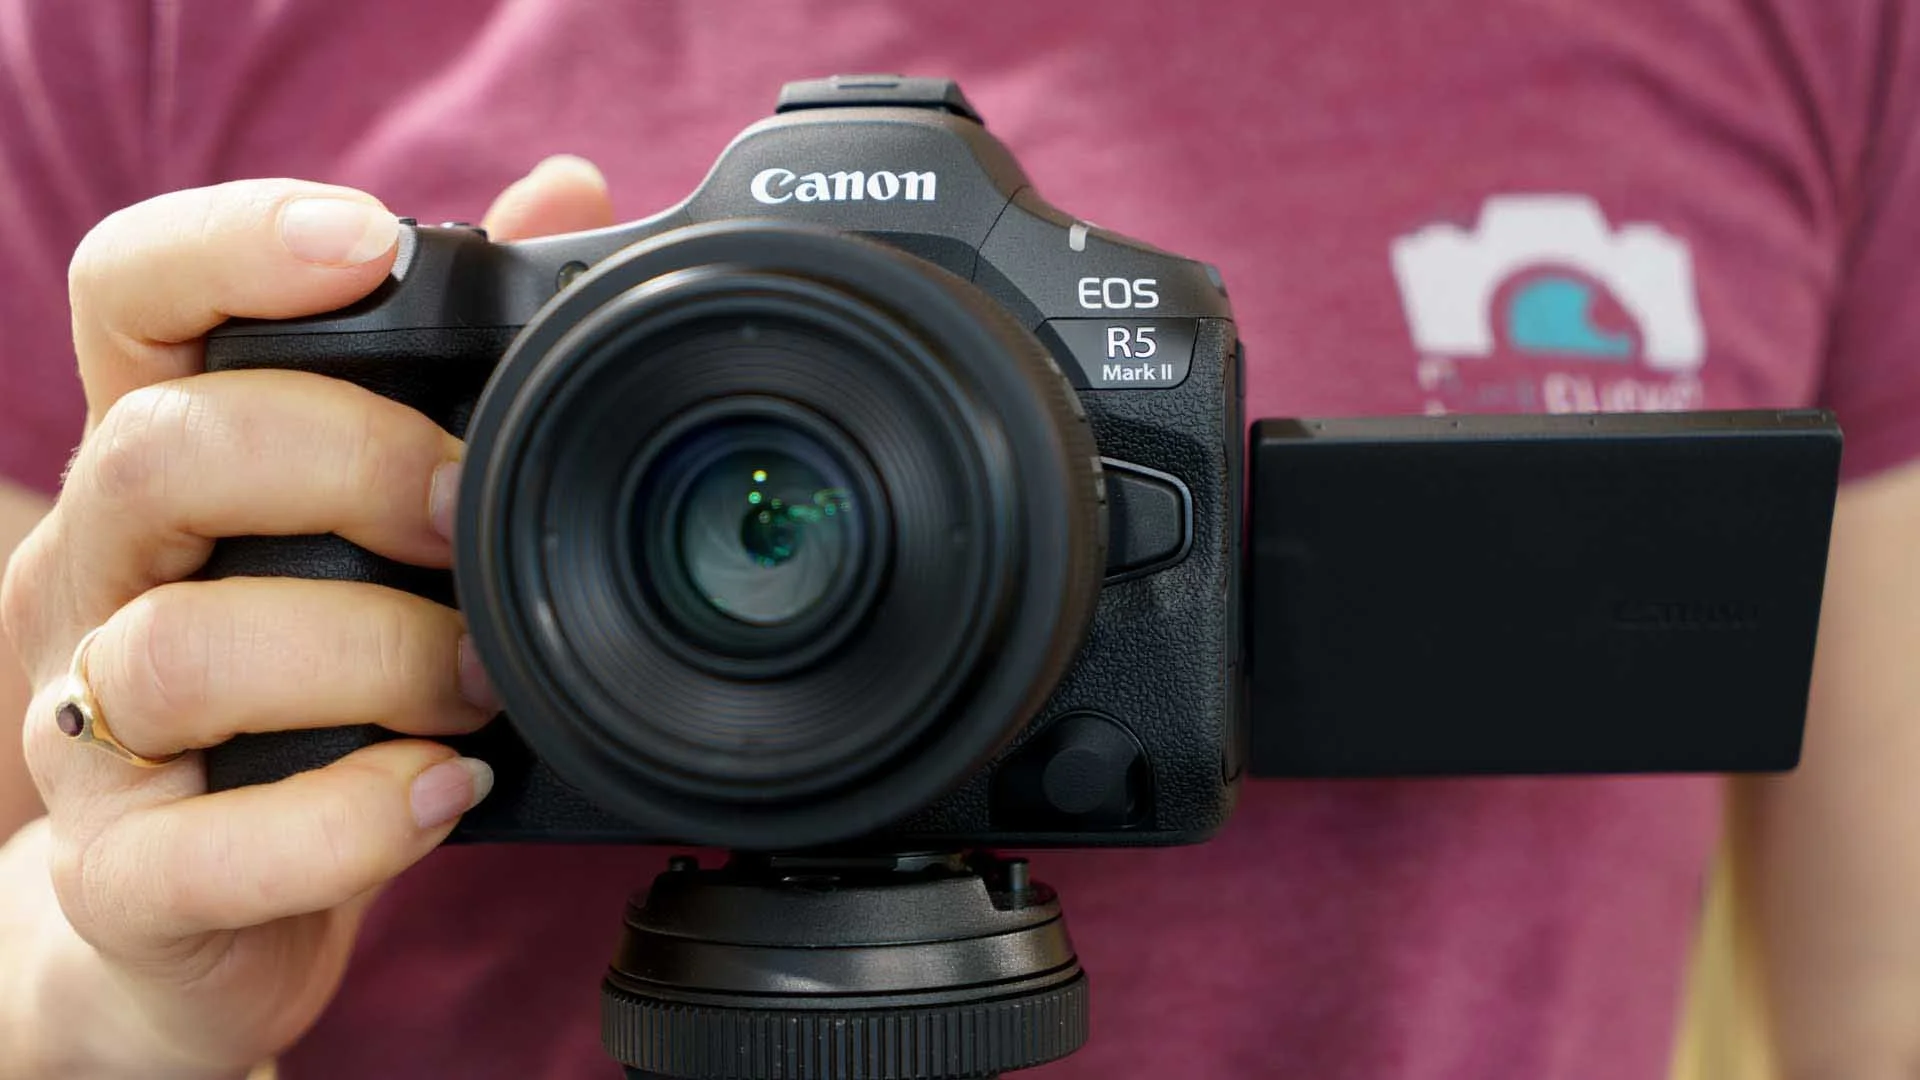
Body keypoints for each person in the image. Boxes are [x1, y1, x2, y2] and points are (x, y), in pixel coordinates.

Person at [1, 2, 1916, 1077]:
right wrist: (110, 997)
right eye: (758, 523)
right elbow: (34, 907)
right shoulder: (132, 33)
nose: (796, 541)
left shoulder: (1812, 33)